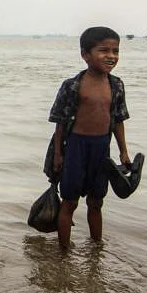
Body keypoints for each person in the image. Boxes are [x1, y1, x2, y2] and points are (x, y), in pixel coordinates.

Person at [48, 26, 130, 249]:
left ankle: (96, 251)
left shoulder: (116, 85)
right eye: (104, 50)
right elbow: (60, 124)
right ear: (85, 54)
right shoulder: (72, 85)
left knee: (96, 202)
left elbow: (119, 120)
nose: (111, 56)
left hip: (101, 148)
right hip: (75, 147)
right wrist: (58, 154)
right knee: (69, 202)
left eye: (115, 51)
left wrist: (123, 151)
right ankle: (63, 253)